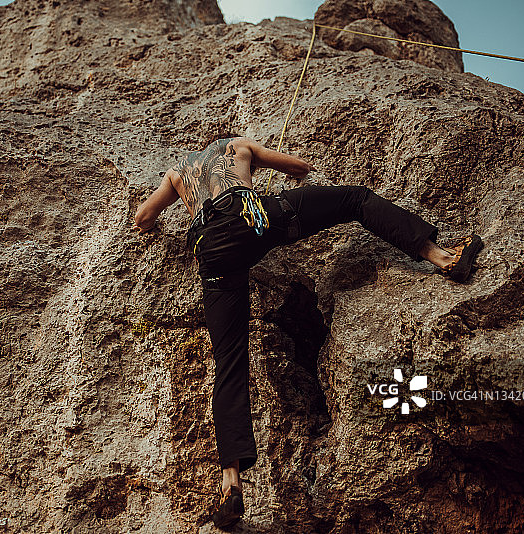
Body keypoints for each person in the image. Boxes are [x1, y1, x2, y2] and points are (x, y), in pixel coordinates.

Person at [132, 136, 482, 529]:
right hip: (252, 216)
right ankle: (443, 257)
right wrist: (268, 170)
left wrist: (164, 216)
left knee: (229, 362)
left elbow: (144, 219)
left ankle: (231, 479)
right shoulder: (236, 146)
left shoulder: (178, 172)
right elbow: (300, 167)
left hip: (210, 247)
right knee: (355, 200)